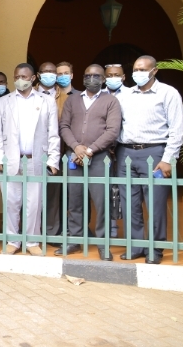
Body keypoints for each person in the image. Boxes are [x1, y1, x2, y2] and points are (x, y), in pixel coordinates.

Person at [115, 56, 183, 264]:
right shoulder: (125, 95)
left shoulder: (168, 93)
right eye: (136, 69)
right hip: (126, 152)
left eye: (143, 69)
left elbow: (177, 130)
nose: (138, 73)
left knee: (155, 204)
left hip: (154, 153)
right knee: (130, 203)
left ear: (154, 71)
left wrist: (167, 159)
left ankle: (155, 249)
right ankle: (136, 246)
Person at [0, 63, 60, 256]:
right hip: (10, 160)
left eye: (24, 76)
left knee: (34, 203)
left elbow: (53, 134)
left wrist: (53, 160)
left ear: (33, 79)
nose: (19, 80)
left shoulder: (47, 101)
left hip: (35, 159)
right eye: (16, 76)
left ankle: (32, 242)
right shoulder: (3, 102)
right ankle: (12, 240)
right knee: (11, 202)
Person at [57, 65, 121, 261]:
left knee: (101, 202)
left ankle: (103, 243)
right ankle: (75, 239)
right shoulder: (72, 100)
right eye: (88, 76)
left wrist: (90, 150)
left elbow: (112, 131)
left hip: (99, 158)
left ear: (103, 80)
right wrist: (76, 147)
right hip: (74, 158)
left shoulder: (111, 101)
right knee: (75, 201)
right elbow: (64, 126)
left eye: (96, 76)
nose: (91, 79)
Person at [35, 61, 77, 245]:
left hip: (56, 152)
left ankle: (51, 231)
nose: (51, 75)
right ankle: (30, 231)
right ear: (38, 75)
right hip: (32, 151)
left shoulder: (65, 97)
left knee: (53, 194)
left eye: (54, 72)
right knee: (31, 193)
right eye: (46, 72)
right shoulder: (30, 94)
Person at [103, 63, 128, 238]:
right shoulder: (99, 95)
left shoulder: (132, 95)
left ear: (124, 77)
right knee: (105, 189)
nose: (113, 78)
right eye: (110, 75)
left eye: (117, 75)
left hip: (123, 148)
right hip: (102, 149)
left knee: (124, 189)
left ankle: (130, 232)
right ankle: (109, 228)